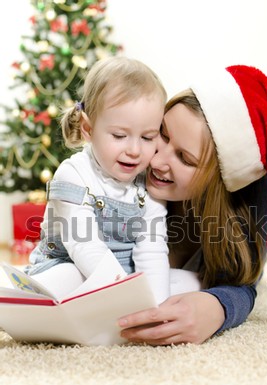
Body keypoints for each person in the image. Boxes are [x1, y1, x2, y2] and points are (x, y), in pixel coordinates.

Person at [118, 64, 267, 345]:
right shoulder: (131, 157)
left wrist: (218, 307)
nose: (155, 160)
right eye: (162, 134)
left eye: (185, 159)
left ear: (219, 179)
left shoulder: (245, 199)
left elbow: (243, 280)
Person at [25, 56, 170, 305]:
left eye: (147, 138)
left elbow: (152, 249)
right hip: (70, 263)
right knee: (68, 278)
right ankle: (26, 300)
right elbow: (84, 245)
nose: (135, 150)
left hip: (124, 276)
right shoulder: (74, 173)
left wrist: (156, 307)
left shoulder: (147, 184)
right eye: (119, 135)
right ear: (88, 129)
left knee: (182, 282)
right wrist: (124, 297)